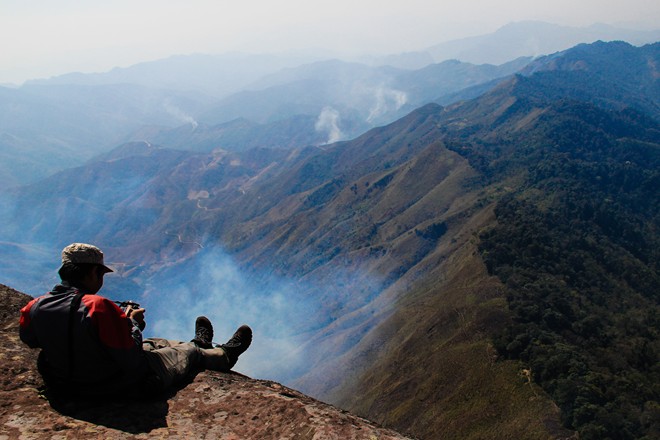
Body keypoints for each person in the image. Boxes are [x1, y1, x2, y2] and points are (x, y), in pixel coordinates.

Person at [19, 242, 252, 397]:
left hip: (64, 385)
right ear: (92, 273)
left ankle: (201, 344)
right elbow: (130, 358)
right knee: (188, 353)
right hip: (117, 386)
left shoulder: (34, 307)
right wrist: (131, 323)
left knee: (159, 342)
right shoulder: (97, 307)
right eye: (100, 273)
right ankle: (223, 354)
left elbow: (30, 339)